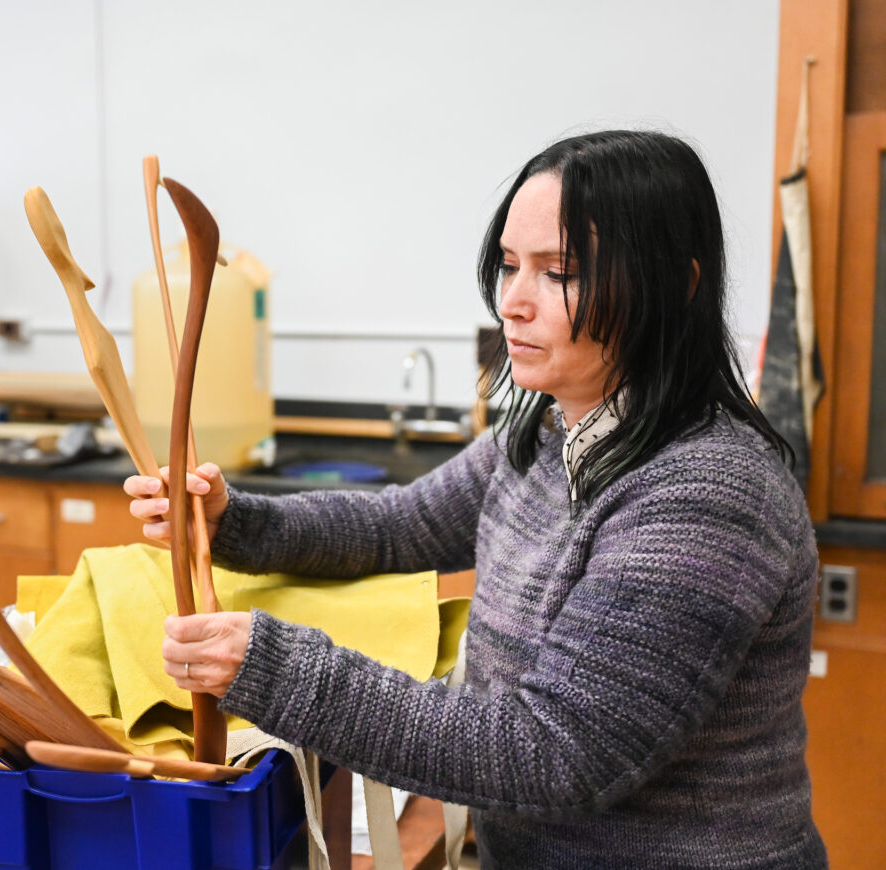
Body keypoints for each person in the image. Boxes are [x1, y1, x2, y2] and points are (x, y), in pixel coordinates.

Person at [124, 130, 827, 869]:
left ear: (676, 286)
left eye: (560, 272)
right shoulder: (548, 432)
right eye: (510, 266)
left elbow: (555, 753)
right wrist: (233, 520)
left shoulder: (709, 498)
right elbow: (397, 526)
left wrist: (278, 670)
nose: (513, 303)